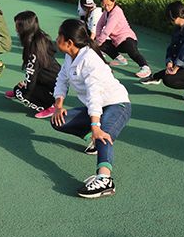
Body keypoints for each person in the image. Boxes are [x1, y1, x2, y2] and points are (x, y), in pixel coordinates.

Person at [51, 19, 132, 199]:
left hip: (117, 104)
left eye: (59, 36)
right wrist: (58, 105)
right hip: (96, 108)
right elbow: (62, 79)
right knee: (58, 121)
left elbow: (94, 94)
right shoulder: (70, 56)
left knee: (103, 133)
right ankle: (93, 140)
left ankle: (105, 180)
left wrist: (95, 126)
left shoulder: (90, 60)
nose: (56, 39)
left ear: (69, 42)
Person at [140, 1, 184, 104]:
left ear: (173, 17)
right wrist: (169, 62)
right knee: (167, 72)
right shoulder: (177, 29)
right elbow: (171, 48)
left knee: (168, 79)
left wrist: (175, 68)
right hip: (182, 67)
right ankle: (156, 77)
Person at [5, 11, 61, 118]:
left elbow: (32, 71)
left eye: (18, 26)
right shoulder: (40, 36)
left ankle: (51, 106)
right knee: (20, 87)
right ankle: (50, 100)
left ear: (25, 27)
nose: (16, 28)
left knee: (19, 91)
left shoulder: (33, 48)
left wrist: (24, 87)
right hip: (55, 81)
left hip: (53, 86)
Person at [95, 0, 151, 78]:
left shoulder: (116, 12)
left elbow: (107, 30)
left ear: (114, 2)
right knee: (101, 43)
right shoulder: (106, 12)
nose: (106, 7)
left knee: (133, 53)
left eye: (109, 4)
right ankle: (121, 60)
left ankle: (145, 68)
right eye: (104, 5)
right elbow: (99, 24)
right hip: (116, 42)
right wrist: (98, 37)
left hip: (127, 39)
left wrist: (97, 43)